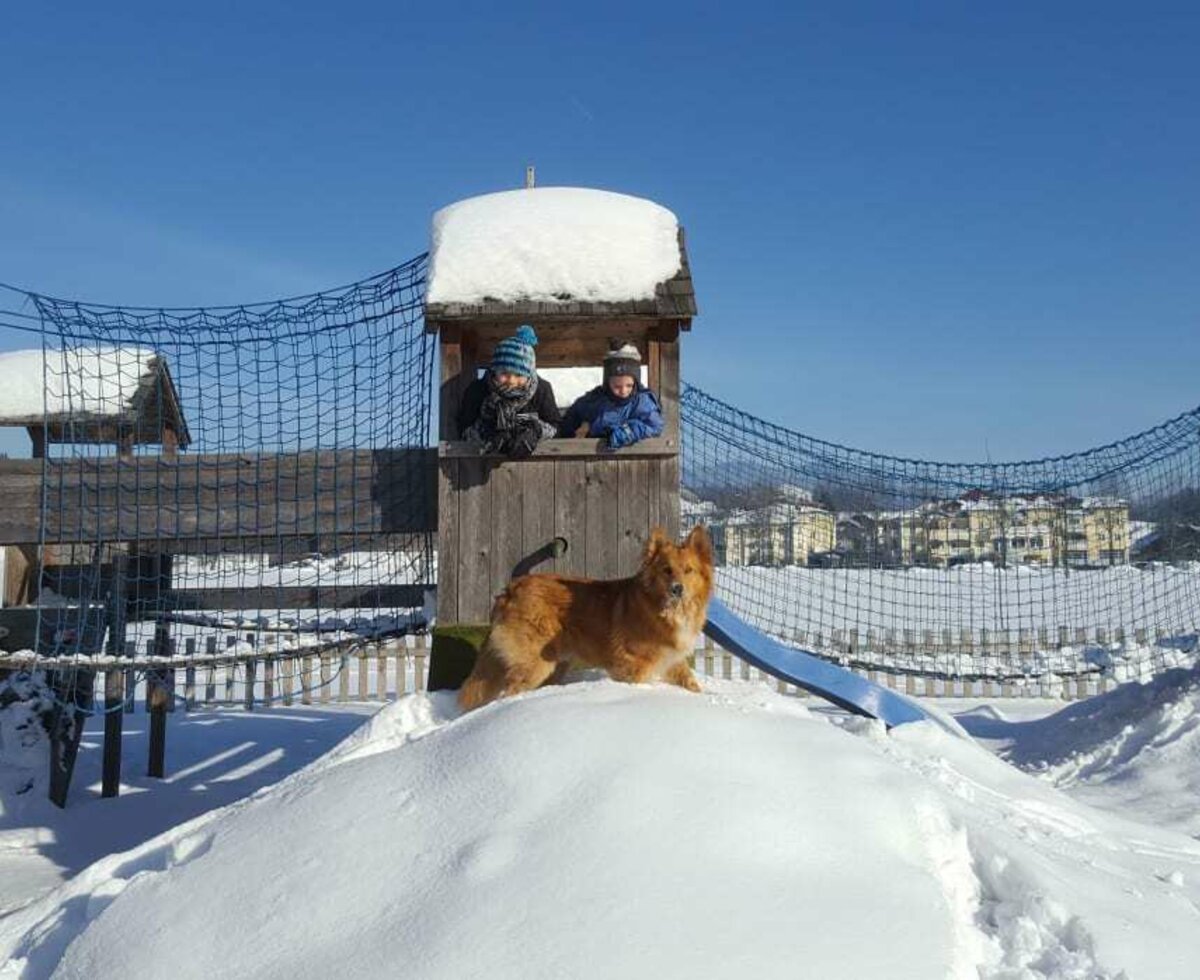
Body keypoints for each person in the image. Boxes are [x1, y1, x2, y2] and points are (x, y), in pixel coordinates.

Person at [456, 325, 561, 457]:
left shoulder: (542, 390)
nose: (511, 380)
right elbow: (463, 429)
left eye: (519, 375)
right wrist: (486, 431)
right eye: (504, 373)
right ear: (494, 370)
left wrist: (535, 432)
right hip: (481, 467)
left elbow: (556, 427)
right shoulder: (477, 390)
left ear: (529, 375)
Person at [559, 342, 664, 449]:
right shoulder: (597, 399)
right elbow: (575, 413)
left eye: (629, 385)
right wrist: (562, 436)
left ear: (635, 383)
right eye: (617, 386)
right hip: (596, 454)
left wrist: (628, 430)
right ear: (607, 384)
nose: (623, 391)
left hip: (632, 458)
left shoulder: (641, 401)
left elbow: (655, 426)